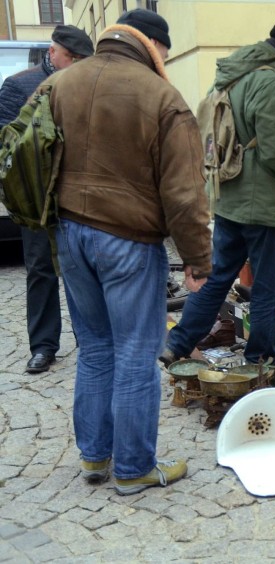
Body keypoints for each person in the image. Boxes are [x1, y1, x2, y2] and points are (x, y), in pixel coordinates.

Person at [44, 9, 212, 494]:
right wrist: (199, 261)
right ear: (154, 47)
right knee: (137, 354)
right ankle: (134, 467)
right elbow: (184, 194)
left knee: (95, 349)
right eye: (167, 52)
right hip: (128, 241)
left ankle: (95, 458)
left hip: (70, 234)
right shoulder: (161, 96)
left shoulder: (60, 82)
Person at [161, 17, 275, 374]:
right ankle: (259, 361)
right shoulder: (274, 82)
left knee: (217, 278)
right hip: (262, 204)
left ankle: (178, 344)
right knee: (271, 289)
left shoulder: (238, 72)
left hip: (230, 195)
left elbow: (250, 132)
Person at [0, 25, 94, 374]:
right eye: (76, 60)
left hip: (76, 195)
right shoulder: (19, 86)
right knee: (40, 269)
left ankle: (89, 339)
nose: (80, 67)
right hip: (37, 196)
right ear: (55, 54)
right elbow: (6, 143)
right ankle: (43, 345)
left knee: (80, 269)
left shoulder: (88, 84)